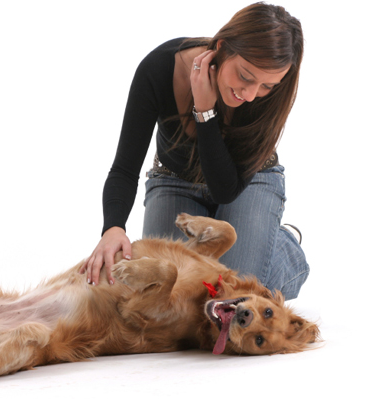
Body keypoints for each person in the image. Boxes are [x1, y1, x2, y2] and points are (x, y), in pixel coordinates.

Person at [80, 2, 309, 300]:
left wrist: (205, 112)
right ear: (223, 47)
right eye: (245, 76)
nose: (251, 94)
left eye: (267, 85)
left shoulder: (269, 95)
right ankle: (260, 241)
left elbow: (226, 189)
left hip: (247, 184)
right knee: (177, 292)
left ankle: (283, 246)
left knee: (229, 294)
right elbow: (124, 168)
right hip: (174, 180)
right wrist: (112, 228)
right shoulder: (160, 68)